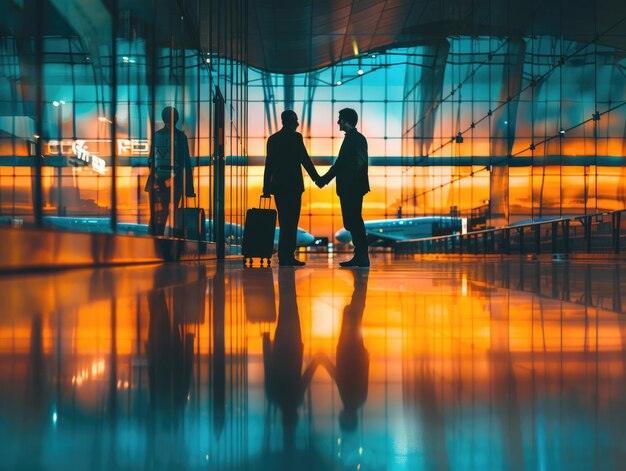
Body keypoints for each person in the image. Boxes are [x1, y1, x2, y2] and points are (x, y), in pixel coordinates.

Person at [263, 110, 321, 266]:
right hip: (294, 187)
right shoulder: (296, 138)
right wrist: (317, 179)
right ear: (290, 121)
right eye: (296, 120)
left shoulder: (273, 139)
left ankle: (284, 257)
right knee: (292, 222)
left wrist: (266, 188)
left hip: (279, 187)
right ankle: (289, 255)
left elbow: (269, 164)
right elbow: (305, 159)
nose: (297, 123)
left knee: (284, 222)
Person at [317, 108, 370, 267]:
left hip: (352, 188)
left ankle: (362, 256)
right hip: (351, 187)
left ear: (346, 120)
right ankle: (360, 256)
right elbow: (340, 165)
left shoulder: (356, 139)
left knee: (354, 221)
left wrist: (323, 180)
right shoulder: (352, 138)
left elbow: (350, 164)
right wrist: (324, 180)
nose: (338, 122)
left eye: (340, 119)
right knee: (352, 221)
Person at [145, 106, 196, 236]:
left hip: (156, 182)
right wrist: (189, 189)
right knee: (171, 216)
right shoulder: (181, 137)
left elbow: (150, 161)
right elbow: (186, 163)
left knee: (156, 216)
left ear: (163, 119)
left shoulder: (156, 136)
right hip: (174, 182)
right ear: (177, 119)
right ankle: (163, 245)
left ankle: (152, 243)